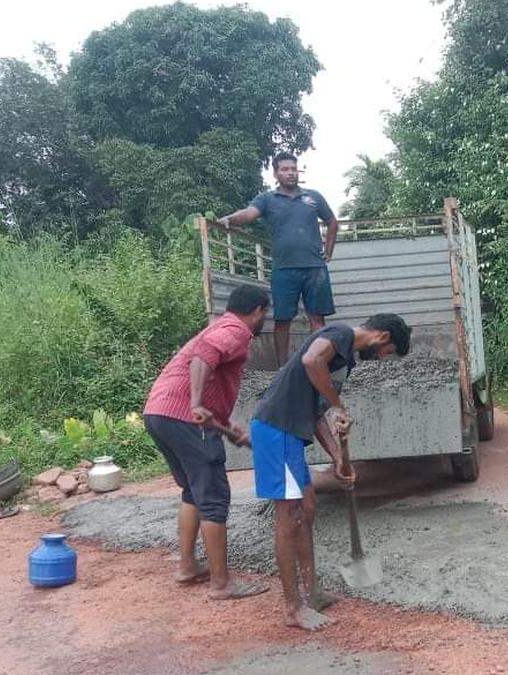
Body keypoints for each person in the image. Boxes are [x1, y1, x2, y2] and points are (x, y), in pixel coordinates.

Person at [249, 313, 412, 629]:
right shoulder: (339, 334)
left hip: (292, 433)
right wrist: (340, 404)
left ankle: (313, 593)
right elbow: (311, 361)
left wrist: (338, 457)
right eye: (387, 353)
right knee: (289, 516)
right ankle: (293, 607)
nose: (381, 359)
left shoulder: (344, 360)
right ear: (383, 337)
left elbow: (314, 412)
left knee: (307, 508)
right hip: (276, 429)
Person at [142, 284, 271, 600]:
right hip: (185, 416)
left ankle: (188, 566)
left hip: (159, 412)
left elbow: (210, 388)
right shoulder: (235, 330)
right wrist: (197, 404)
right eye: (265, 313)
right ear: (257, 311)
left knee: (193, 490)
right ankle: (221, 584)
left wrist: (229, 431)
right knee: (213, 497)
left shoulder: (219, 326)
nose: (264, 318)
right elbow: (204, 357)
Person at [217, 151, 340, 366]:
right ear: (276, 173)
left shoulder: (313, 197)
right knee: (282, 321)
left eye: (293, 169)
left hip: (314, 267)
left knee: (317, 319)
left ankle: (318, 365)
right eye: (285, 169)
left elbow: (332, 222)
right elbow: (248, 213)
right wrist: (230, 219)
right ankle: (283, 369)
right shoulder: (267, 199)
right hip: (284, 269)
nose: (291, 173)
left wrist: (328, 251)